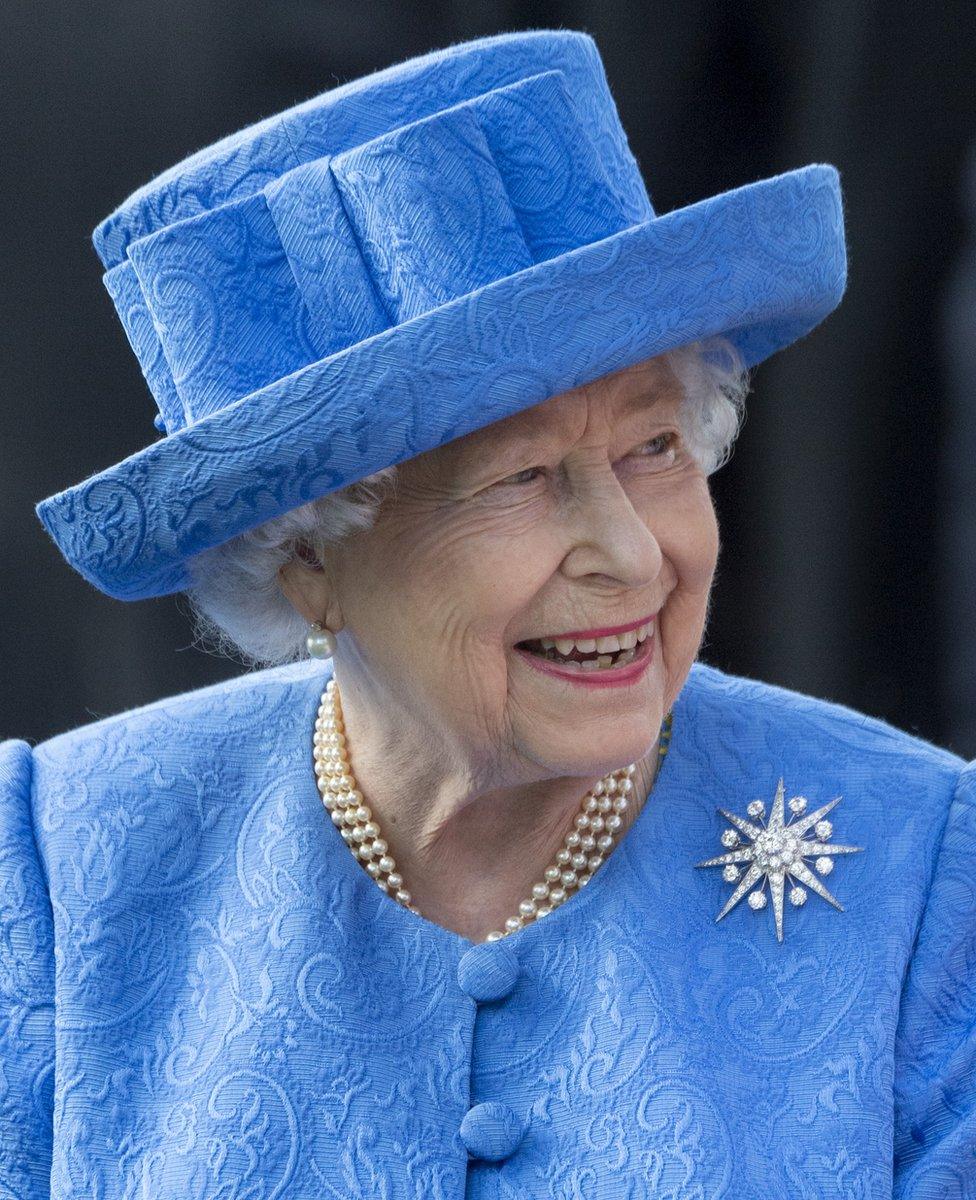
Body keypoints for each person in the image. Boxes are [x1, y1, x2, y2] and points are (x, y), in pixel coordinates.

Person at [3, 27, 972, 1199]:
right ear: (305, 557)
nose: (630, 555)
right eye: (520, 479)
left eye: (655, 447)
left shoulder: (928, 872)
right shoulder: (60, 868)